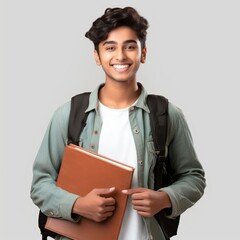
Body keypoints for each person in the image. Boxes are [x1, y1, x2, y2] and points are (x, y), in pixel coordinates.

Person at [30, 6, 206, 240]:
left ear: (143, 53)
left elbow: (193, 177)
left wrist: (164, 198)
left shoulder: (166, 114)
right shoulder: (69, 114)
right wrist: (77, 205)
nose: (120, 56)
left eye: (130, 46)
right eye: (110, 47)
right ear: (97, 56)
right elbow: (40, 184)